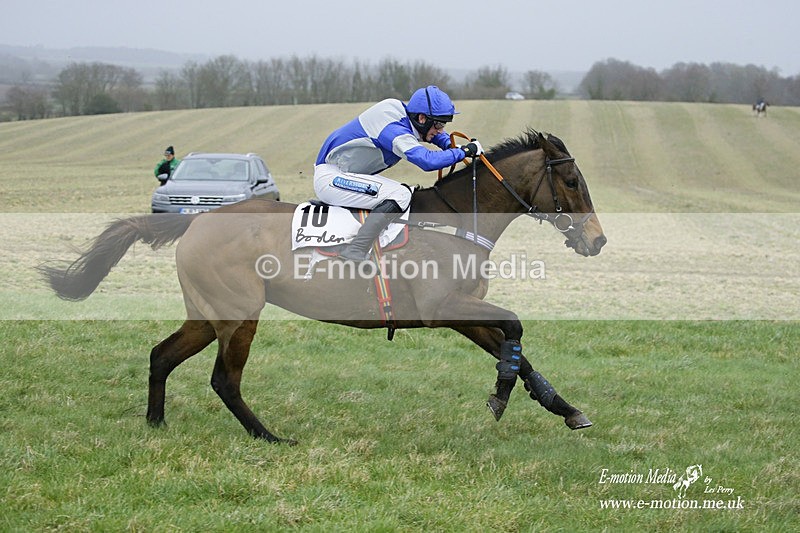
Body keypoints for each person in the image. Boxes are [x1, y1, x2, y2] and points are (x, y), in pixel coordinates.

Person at [314, 85, 484, 261]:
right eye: (439, 124)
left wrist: (450, 145)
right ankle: (355, 251)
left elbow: (432, 135)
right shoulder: (393, 129)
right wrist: (463, 151)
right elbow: (427, 161)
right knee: (401, 194)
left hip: (343, 174)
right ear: (421, 118)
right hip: (331, 178)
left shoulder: (401, 115)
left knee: (404, 193)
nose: (441, 130)